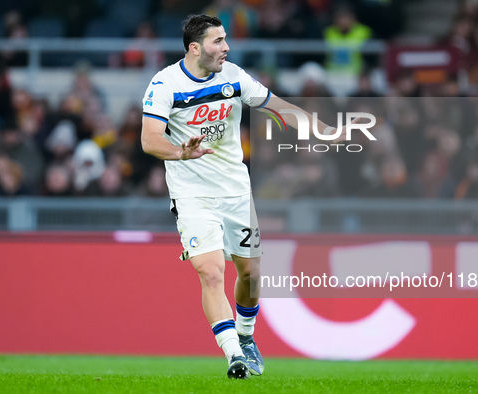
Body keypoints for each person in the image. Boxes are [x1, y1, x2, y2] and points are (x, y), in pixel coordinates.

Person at [140, 14, 342, 379]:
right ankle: (235, 355)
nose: (226, 47)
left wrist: (322, 129)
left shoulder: (233, 76)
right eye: (218, 41)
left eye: (226, 40)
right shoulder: (164, 84)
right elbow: (149, 138)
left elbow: (278, 107)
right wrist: (179, 152)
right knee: (211, 270)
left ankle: (246, 337)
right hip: (192, 194)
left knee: (249, 274)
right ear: (195, 48)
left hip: (235, 190)